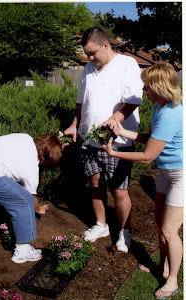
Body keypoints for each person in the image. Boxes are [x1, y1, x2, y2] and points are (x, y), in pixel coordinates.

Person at [102, 62, 182, 299]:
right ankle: (163, 267)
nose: (144, 90)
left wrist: (115, 153)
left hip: (181, 175)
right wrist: (122, 131)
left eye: (147, 86)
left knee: (169, 230)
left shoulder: (171, 113)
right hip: (167, 172)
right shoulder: (160, 107)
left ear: (159, 87)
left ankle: (173, 280)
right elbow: (151, 138)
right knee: (159, 222)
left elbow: (147, 157)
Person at [64, 27, 143, 252]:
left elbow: (133, 100)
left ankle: (125, 231)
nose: (89, 58)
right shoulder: (89, 68)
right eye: (87, 54)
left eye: (93, 53)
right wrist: (74, 124)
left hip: (116, 142)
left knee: (119, 189)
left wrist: (113, 120)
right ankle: (101, 225)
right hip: (88, 139)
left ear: (106, 45)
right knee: (95, 184)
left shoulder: (127, 64)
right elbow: (81, 102)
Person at [0, 133, 62, 264]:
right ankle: (22, 251)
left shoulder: (25, 138)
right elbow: (31, 199)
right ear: (47, 159)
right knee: (23, 201)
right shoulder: (32, 168)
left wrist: (53, 143)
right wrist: (39, 209)